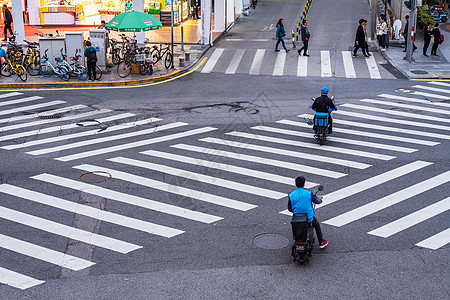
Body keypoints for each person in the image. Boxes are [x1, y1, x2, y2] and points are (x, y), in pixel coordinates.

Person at [288, 176, 328, 249]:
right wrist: (320, 200)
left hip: (296, 219)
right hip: (309, 219)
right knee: (317, 225)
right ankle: (321, 242)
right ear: (304, 184)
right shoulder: (308, 193)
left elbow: (290, 209)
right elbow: (317, 201)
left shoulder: (291, 195)